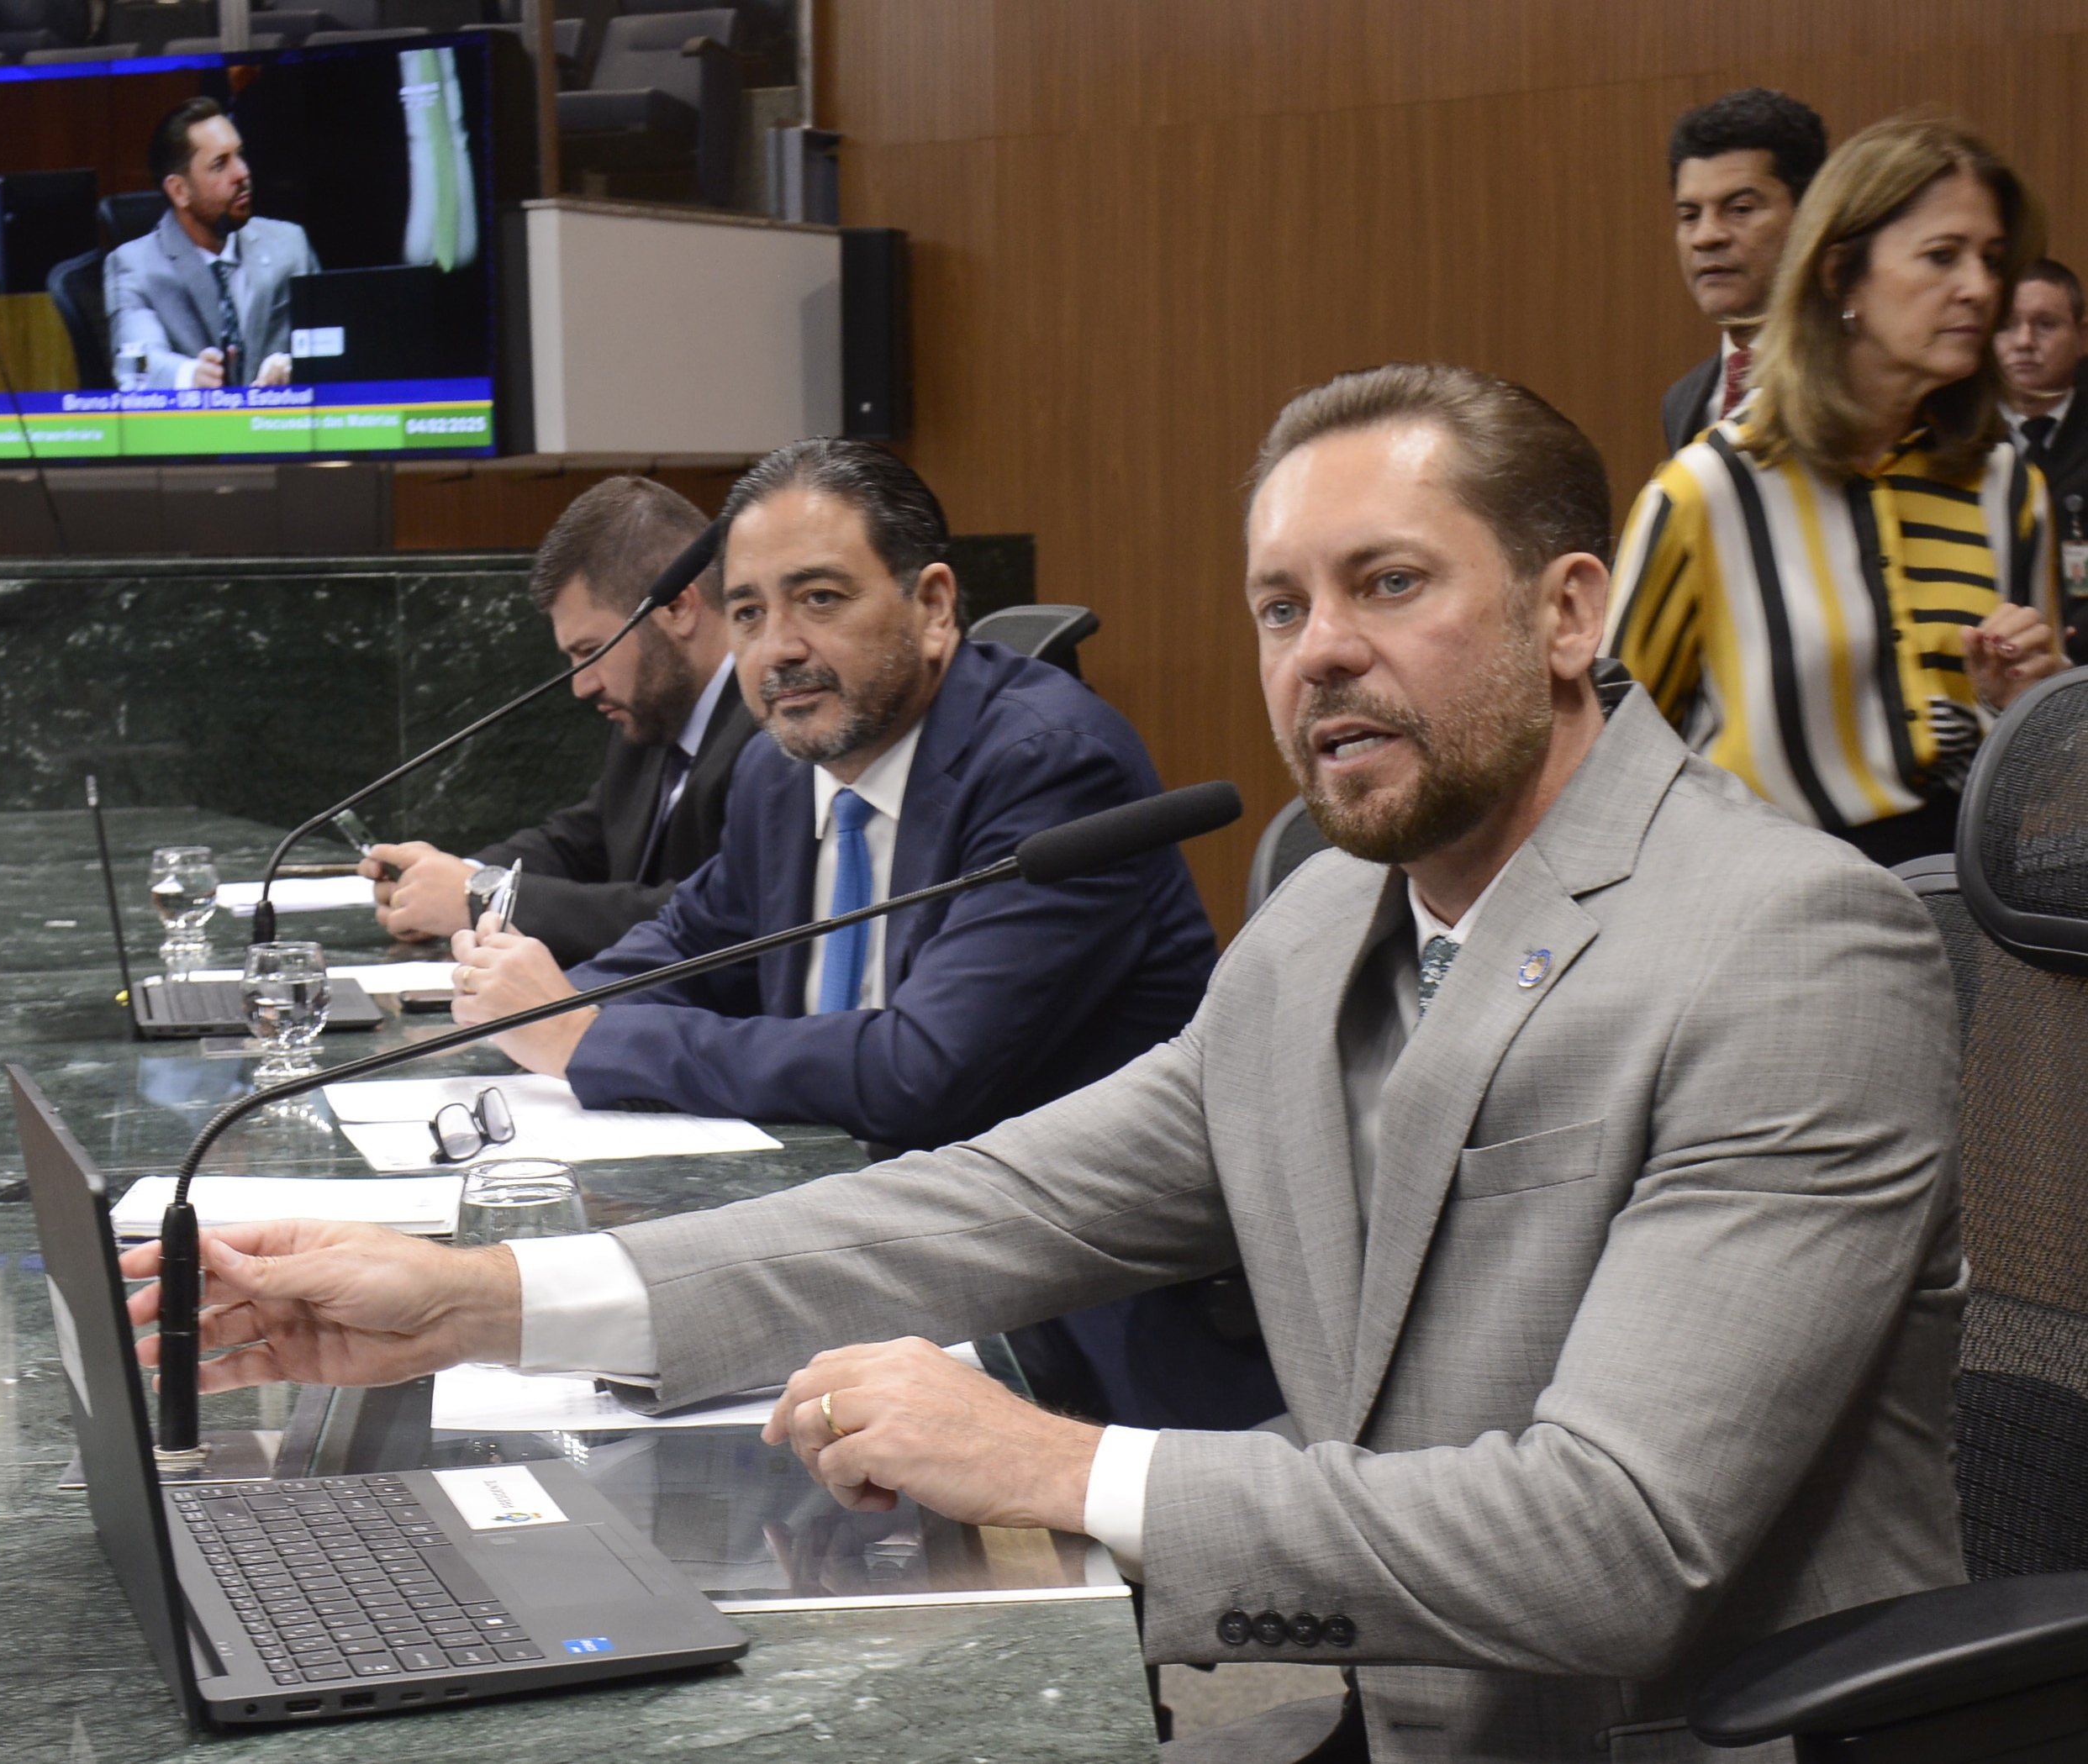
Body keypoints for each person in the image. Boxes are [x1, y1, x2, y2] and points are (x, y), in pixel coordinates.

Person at [123, 364, 1969, 1761]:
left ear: (1571, 611)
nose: (1322, 654)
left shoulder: (1787, 945)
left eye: (1390, 582)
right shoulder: (1327, 922)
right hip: (1378, 1698)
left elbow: (1612, 1540)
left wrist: (1064, 1462)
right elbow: (993, 1201)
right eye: (1280, 606)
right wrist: (473, 1298)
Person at [444, 438, 1220, 1157]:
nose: (778, 648)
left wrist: (587, 1041)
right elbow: (689, 946)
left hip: (1041, 1233)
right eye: (748, 613)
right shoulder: (778, 770)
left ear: (933, 607)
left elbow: (922, 1071)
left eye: (818, 598)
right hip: (835, 1199)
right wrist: (538, 1007)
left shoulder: (1051, 767)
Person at [1611, 114, 2066, 868]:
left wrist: (2027, 701)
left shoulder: (2009, 488)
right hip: (1770, 897)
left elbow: (2041, 771)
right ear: (1838, 276)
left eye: (1990, 260)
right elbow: (1611, 749)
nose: (1979, 288)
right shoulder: (1709, 491)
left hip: (1968, 895)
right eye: (1941, 256)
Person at [363, 477, 757, 966]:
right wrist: (448, 878)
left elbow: (715, 920)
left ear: (677, 607)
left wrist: (483, 898)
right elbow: (581, 844)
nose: (581, 685)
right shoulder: (654, 710)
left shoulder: (773, 733)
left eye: (591, 651)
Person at [104, 98, 321, 392]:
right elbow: (137, 366)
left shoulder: (289, 246)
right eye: (220, 165)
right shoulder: (133, 266)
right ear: (179, 191)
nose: (242, 173)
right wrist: (190, 375)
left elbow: (330, 341)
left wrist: (297, 365)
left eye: (239, 155)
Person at [1659, 89, 1828, 455]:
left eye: (1740, 209)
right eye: (1690, 215)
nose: (1705, 237)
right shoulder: (1683, 400)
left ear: (1810, 216)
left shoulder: (1855, 377)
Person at [1996, 258, 2088, 661]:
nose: (2024, 342)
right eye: (2006, 326)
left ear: (2082, 337)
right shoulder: (1952, 437)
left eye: (2045, 325)